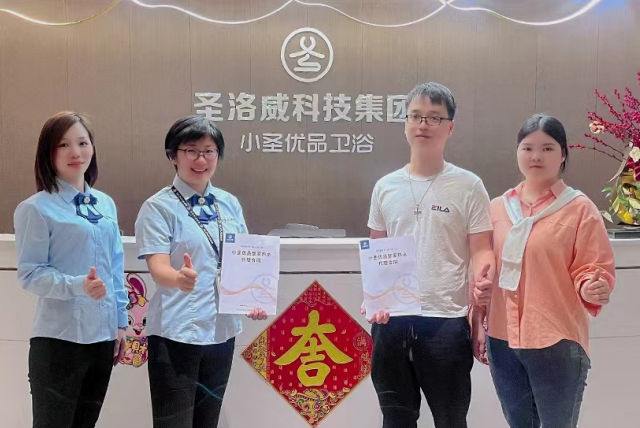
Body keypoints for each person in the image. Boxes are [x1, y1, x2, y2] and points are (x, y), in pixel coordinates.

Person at [365, 82, 495, 428]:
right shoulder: (385, 186)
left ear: (450, 127)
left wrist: (481, 305)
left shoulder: (468, 186)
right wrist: (374, 297)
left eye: (434, 117)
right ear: (405, 124)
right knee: (395, 419)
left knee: (451, 420)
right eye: (416, 116)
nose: (423, 124)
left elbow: (483, 250)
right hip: (390, 324)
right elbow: (377, 250)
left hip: (446, 323)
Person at [475, 114, 615, 428]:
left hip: (555, 341)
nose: (536, 156)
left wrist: (592, 286)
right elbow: (483, 269)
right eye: (528, 148)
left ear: (563, 154)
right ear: (517, 152)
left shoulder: (579, 208)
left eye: (547, 148)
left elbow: (593, 267)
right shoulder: (497, 208)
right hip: (502, 340)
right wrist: (478, 317)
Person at [135, 115, 267, 428]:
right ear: (173, 155)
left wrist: (253, 299)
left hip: (221, 332)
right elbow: (157, 267)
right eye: (191, 151)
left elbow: (244, 261)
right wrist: (178, 278)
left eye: (209, 151)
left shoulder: (229, 204)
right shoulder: (158, 207)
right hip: (176, 332)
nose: (201, 160)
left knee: (208, 421)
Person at [14, 111, 128, 428]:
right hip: (59, 341)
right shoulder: (35, 208)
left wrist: (120, 323)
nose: (76, 152)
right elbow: (31, 275)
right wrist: (79, 286)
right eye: (63, 144)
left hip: (103, 338)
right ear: (48, 153)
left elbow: (116, 267)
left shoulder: (105, 204)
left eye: (83, 142)